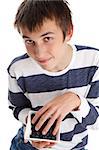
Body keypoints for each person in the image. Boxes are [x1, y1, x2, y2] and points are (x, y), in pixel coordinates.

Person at [8, 0, 99, 150]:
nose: (39, 53)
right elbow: (17, 108)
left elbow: (96, 122)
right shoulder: (18, 69)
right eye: (30, 41)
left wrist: (76, 101)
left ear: (68, 31)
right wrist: (32, 130)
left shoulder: (93, 62)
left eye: (47, 39)